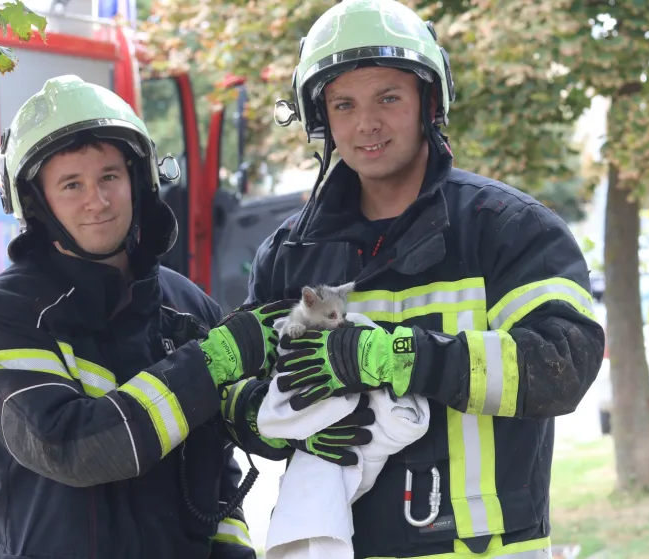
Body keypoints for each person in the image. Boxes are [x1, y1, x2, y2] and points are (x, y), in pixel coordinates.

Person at [219, 1, 606, 558]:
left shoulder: (509, 230)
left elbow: (564, 365)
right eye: (344, 104)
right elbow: (233, 391)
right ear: (322, 119)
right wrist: (273, 420)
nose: (366, 124)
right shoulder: (289, 255)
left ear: (429, 102)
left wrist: (400, 357)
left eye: (388, 98)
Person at [0, 75, 371, 559]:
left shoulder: (187, 304)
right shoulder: (4, 316)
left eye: (110, 176)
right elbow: (72, 446)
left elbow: (215, 468)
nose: (98, 200)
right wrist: (214, 362)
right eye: (72, 184)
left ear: (139, 180)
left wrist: (283, 419)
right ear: (37, 203)